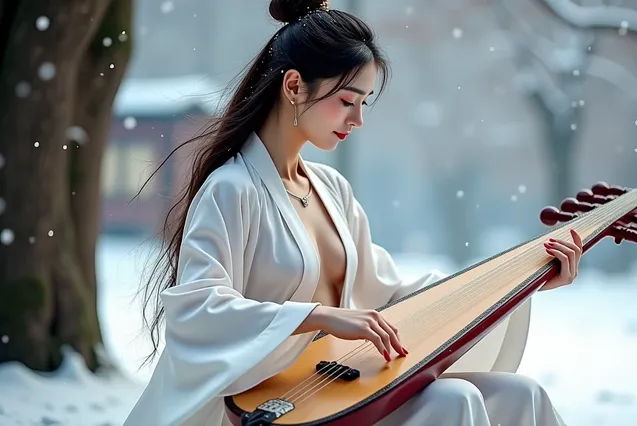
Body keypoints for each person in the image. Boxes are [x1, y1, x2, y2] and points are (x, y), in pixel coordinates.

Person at [123, 1, 583, 425]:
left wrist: (525, 280)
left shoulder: (331, 189)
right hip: (275, 405)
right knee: (455, 402)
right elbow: (198, 310)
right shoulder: (231, 190)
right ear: (294, 86)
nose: (357, 120)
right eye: (347, 101)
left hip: (339, 390)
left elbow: (389, 297)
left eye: (363, 104)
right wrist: (318, 316)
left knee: (522, 395)